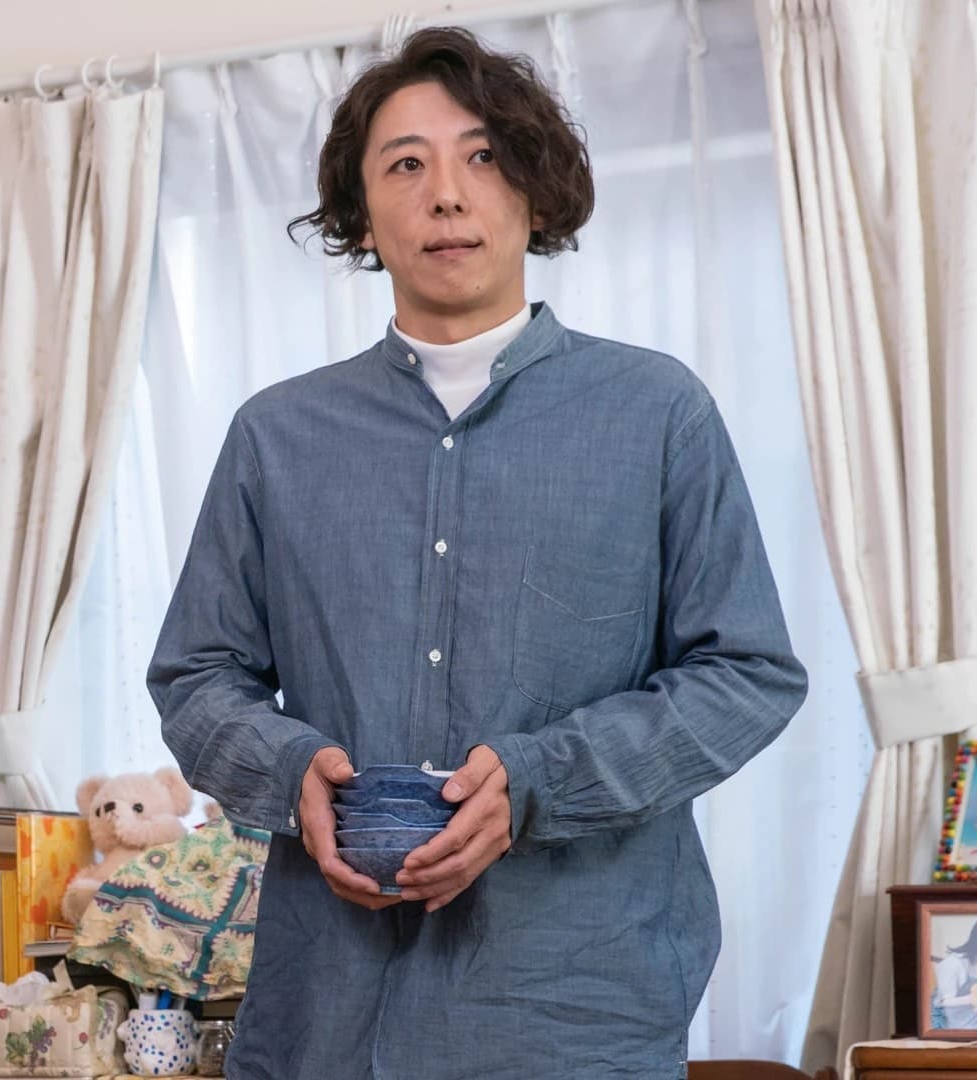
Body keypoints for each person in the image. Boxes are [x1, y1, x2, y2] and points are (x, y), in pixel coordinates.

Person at [149, 27, 808, 1079]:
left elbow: (748, 673)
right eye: (405, 165)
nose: (447, 195)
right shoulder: (277, 436)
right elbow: (196, 675)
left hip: (578, 1021)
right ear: (362, 215)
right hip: (328, 1021)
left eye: (485, 156)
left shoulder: (658, 413)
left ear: (535, 194)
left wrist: (539, 780)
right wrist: (289, 772)